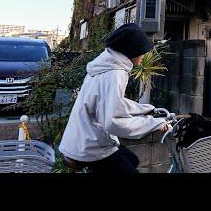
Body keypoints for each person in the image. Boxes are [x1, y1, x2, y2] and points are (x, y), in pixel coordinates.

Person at [58, 23, 169, 173]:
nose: (143, 57)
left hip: (81, 137)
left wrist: (147, 109)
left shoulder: (104, 66)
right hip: (91, 146)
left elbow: (115, 103)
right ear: (132, 50)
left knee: (132, 159)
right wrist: (152, 123)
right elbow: (112, 122)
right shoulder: (115, 73)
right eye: (142, 52)